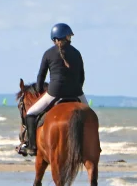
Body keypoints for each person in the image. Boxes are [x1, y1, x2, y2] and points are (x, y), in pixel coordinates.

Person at [17, 23, 87, 157]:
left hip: (55, 93)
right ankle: (92, 146)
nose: (70, 38)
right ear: (65, 37)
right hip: (77, 92)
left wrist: (38, 89)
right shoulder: (77, 53)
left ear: (55, 39)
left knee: (30, 114)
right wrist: (77, 89)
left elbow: (41, 76)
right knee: (90, 116)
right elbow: (82, 76)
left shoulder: (48, 53)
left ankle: (32, 147)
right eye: (69, 36)